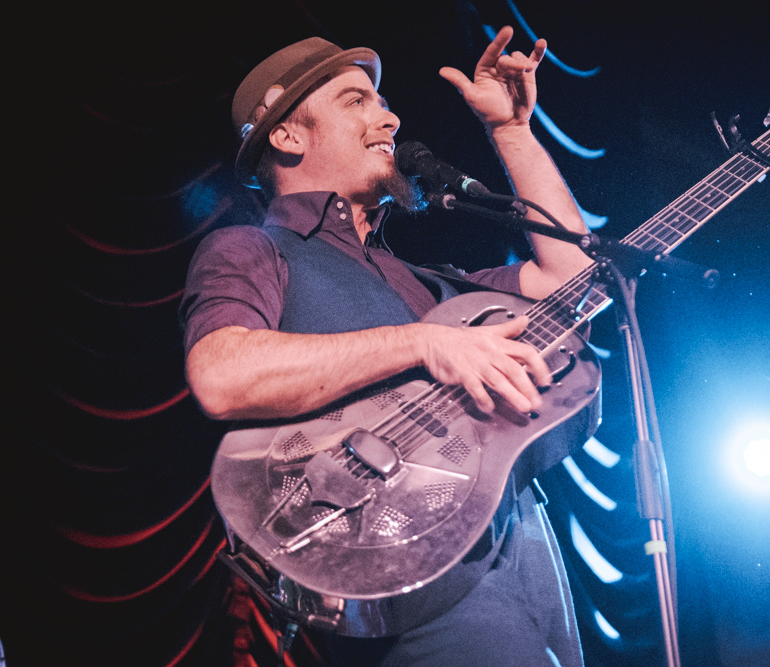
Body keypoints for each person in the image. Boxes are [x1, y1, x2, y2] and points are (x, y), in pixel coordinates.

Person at [180, 25, 594, 666]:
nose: (390, 116)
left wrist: (511, 132)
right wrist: (424, 344)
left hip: (524, 552)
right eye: (357, 101)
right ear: (288, 136)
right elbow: (220, 374)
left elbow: (570, 283)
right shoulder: (252, 249)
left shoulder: (426, 280)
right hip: (411, 599)